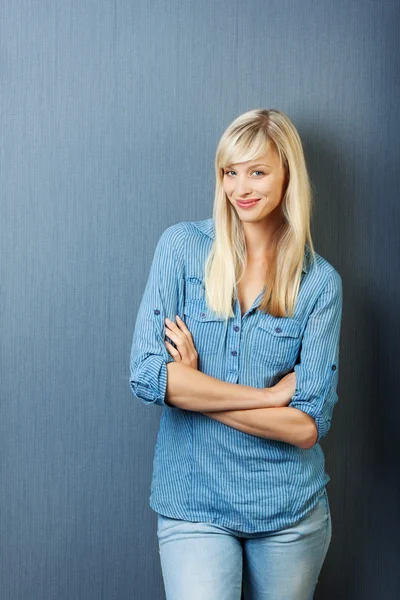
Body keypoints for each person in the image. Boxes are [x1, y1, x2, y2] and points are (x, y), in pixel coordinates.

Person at [129, 108, 343, 600]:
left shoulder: (319, 283)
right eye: (230, 172)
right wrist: (269, 399)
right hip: (194, 502)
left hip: (290, 511)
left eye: (258, 171)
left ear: (288, 174)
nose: (240, 187)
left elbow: (308, 426)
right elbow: (147, 376)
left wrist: (194, 389)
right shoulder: (182, 248)